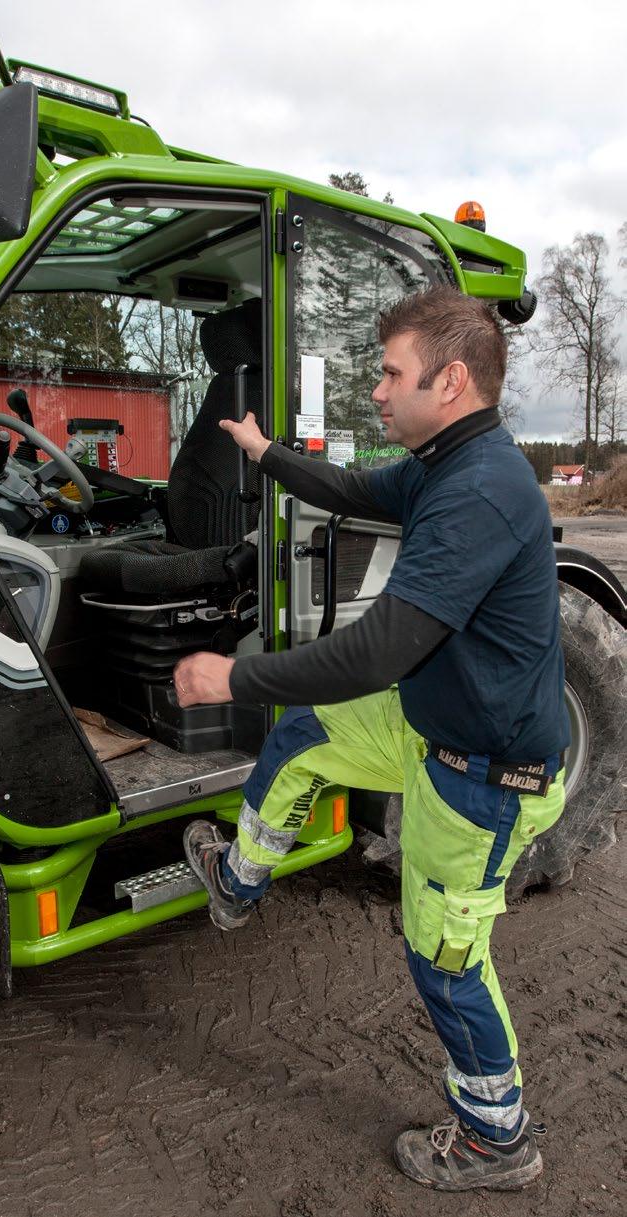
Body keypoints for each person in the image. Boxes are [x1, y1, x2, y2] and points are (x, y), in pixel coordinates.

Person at [173, 286, 569, 1193]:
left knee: (443, 960)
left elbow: (381, 648)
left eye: (391, 373)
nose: (378, 391)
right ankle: (237, 881)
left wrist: (231, 675)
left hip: (483, 776)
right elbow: (349, 488)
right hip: (434, 727)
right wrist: (263, 451)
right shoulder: (438, 460)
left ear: (452, 378)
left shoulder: (483, 487)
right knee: (303, 734)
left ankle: (495, 1137)